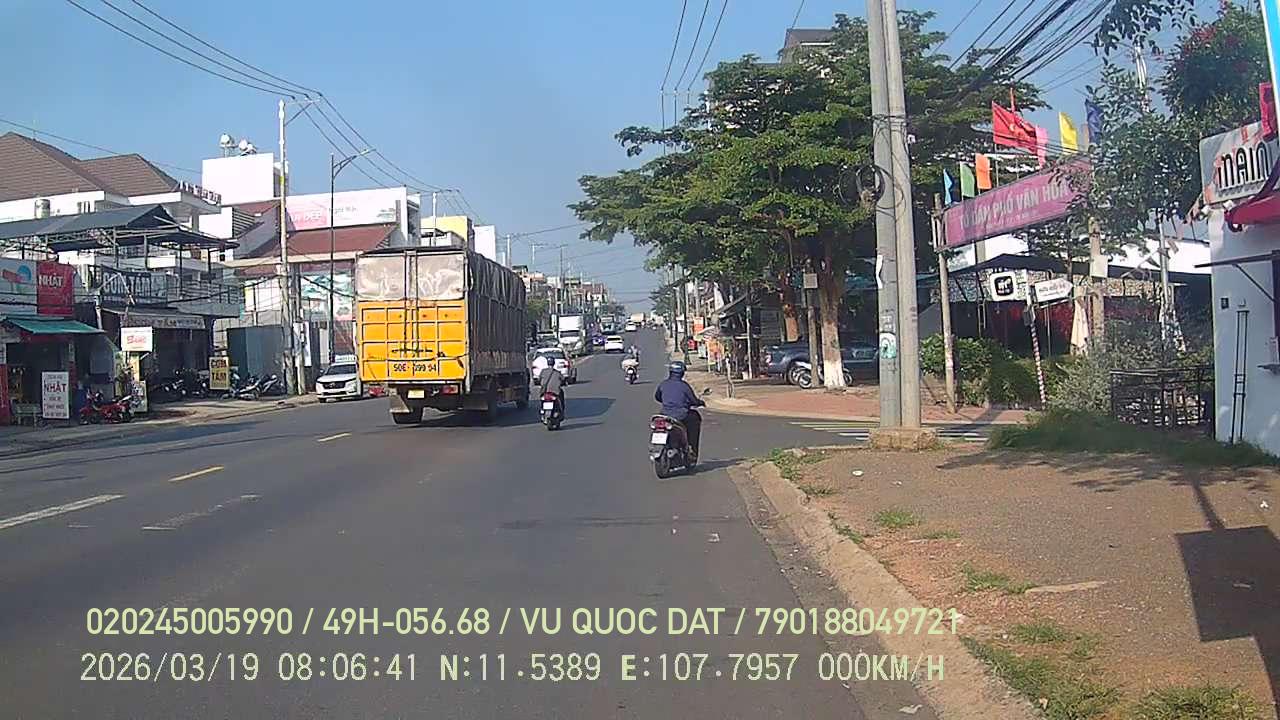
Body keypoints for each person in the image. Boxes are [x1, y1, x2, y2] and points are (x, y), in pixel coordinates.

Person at [654, 360, 705, 462]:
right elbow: (693, 400)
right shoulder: (684, 386)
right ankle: (692, 450)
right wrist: (700, 402)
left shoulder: (663, 384)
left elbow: (657, 397)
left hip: (665, 414)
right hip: (681, 416)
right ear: (682, 373)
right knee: (695, 418)